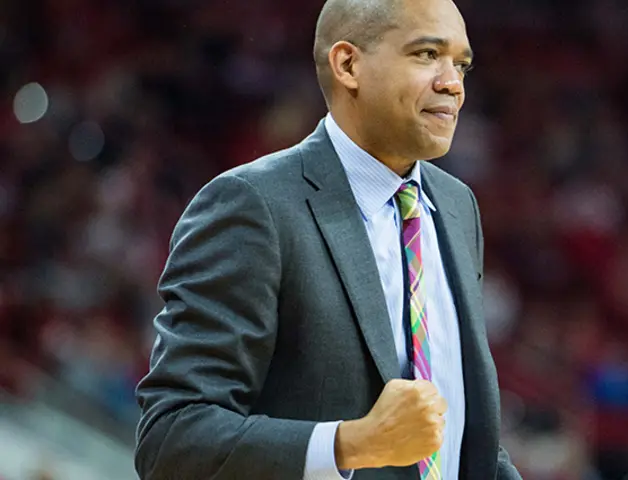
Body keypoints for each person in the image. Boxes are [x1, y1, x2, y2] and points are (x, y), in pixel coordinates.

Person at [133, 0, 522, 478]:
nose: (453, 84)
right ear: (348, 65)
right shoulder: (254, 205)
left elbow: (467, 440)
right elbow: (171, 440)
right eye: (426, 55)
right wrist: (350, 444)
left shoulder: (457, 206)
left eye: (461, 64)